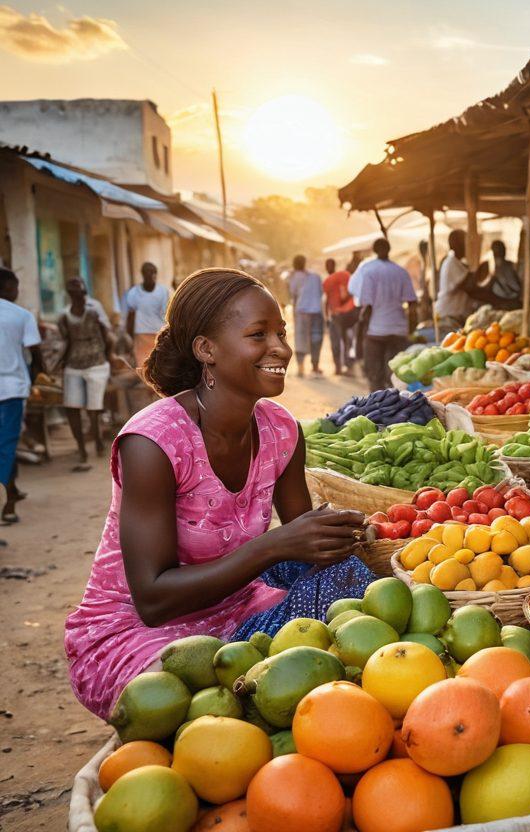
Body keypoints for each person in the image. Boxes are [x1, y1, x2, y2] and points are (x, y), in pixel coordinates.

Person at [64, 268, 370, 718]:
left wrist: (342, 533)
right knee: (202, 708)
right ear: (206, 349)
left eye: (281, 332)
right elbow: (152, 600)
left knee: (354, 580)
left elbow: (304, 546)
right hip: (141, 632)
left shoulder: (281, 429)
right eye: (258, 334)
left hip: (238, 606)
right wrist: (274, 545)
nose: (281, 348)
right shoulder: (153, 443)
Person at [58, 278, 116, 469]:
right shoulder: (64, 316)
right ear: (70, 295)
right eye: (73, 294)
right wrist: (60, 362)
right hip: (74, 364)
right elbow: (65, 342)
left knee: (93, 407)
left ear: (84, 294)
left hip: (96, 364)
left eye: (80, 293)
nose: (78, 297)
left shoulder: (93, 312)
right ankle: (82, 447)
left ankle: (97, 437)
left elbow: (108, 337)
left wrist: (108, 357)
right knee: (72, 407)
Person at [0, 268, 42, 526]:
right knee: (6, 448)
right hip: (12, 390)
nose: (17, 292)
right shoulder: (21, 315)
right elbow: (35, 353)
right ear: (6, 287)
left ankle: (11, 490)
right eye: (15, 287)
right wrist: (41, 377)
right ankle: (7, 507)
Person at [352, 238, 416, 391]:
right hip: (398, 330)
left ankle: (377, 408)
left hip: (376, 331)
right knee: (395, 377)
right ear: (389, 249)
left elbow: (367, 306)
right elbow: (413, 304)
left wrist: (362, 332)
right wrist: (410, 331)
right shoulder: (401, 272)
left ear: (374, 250)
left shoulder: (369, 272)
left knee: (375, 377)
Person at [123, 262, 170, 369]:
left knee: (159, 366)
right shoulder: (134, 293)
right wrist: (129, 336)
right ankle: (145, 385)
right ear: (143, 274)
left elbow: (167, 313)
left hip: (158, 334)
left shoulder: (163, 291)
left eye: (154, 273)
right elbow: (131, 316)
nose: (151, 275)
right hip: (141, 335)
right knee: (143, 366)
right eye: (148, 272)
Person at [288, 255, 324, 377]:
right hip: (316, 311)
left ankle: (301, 368)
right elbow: (320, 293)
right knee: (316, 339)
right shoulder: (316, 276)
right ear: (304, 263)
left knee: (300, 339)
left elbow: (293, 295)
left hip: (301, 312)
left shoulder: (293, 277)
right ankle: (315, 366)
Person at [322, 257, 358, 375]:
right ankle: (349, 367)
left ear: (327, 267)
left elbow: (327, 301)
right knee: (349, 341)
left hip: (336, 315)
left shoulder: (327, 281)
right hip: (348, 314)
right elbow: (351, 293)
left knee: (336, 342)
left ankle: (338, 367)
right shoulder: (345, 275)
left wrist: (327, 316)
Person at [436, 230, 474, 335]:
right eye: (464, 243)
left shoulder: (458, 263)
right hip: (448, 317)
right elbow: (470, 287)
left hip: (454, 317)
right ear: (455, 245)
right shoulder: (451, 263)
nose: (467, 246)